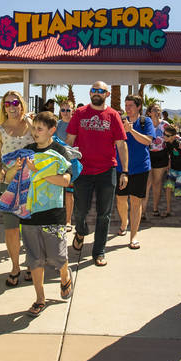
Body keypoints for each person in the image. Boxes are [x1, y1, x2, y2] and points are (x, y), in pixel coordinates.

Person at [20, 111, 76, 316]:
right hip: (29, 212)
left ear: (52, 130)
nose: (35, 132)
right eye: (33, 128)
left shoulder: (60, 151)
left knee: (58, 257)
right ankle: (39, 298)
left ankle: (64, 276)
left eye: (39, 129)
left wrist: (38, 172)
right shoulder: (27, 151)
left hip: (54, 213)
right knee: (34, 258)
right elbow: (17, 178)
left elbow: (65, 181)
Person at [66, 82, 128, 267]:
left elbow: (121, 144)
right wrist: (67, 166)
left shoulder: (113, 115)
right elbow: (70, 140)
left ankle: (99, 251)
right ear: (90, 92)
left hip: (107, 170)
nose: (97, 93)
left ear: (107, 94)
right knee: (80, 210)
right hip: (82, 170)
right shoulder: (80, 113)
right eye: (94, 90)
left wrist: (124, 171)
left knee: (104, 214)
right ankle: (81, 230)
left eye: (101, 91)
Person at [0, 90, 34, 285]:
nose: (12, 106)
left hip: (31, 186)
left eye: (15, 102)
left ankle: (32, 264)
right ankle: (15, 266)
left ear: (21, 104)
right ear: (3, 108)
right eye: (7, 104)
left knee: (32, 230)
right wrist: (2, 174)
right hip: (9, 186)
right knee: (12, 230)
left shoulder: (32, 125)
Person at [115, 94, 154, 249]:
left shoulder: (146, 122)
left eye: (131, 105)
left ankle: (134, 235)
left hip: (140, 168)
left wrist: (131, 131)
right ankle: (124, 223)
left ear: (138, 107)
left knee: (136, 201)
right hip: (120, 167)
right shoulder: (119, 121)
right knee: (120, 199)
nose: (127, 108)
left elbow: (148, 141)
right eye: (126, 105)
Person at [162, 124, 181, 217]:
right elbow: (170, 155)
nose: (164, 136)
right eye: (164, 134)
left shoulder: (178, 143)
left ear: (173, 136)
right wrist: (169, 165)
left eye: (167, 135)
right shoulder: (167, 143)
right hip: (173, 169)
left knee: (179, 190)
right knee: (168, 187)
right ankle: (168, 210)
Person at [146, 104, 169, 217]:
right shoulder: (145, 124)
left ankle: (155, 208)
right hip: (147, 155)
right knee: (147, 183)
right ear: (149, 112)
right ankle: (142, 211)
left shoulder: (165, 125)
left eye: (159, 110)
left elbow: (172, 139)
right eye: (154, 110)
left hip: (161, 156)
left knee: (157, 183)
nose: (157, 112)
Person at [54, 102, 75, 227]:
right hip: (58, 163)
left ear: (73, 110)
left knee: (69, 193)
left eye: (68, 110)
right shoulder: (56, 125)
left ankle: (68, 220)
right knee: (57, 192)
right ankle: (58, 219)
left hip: (72, 164)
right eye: (63, 110)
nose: (66, 112)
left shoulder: (77, 124)